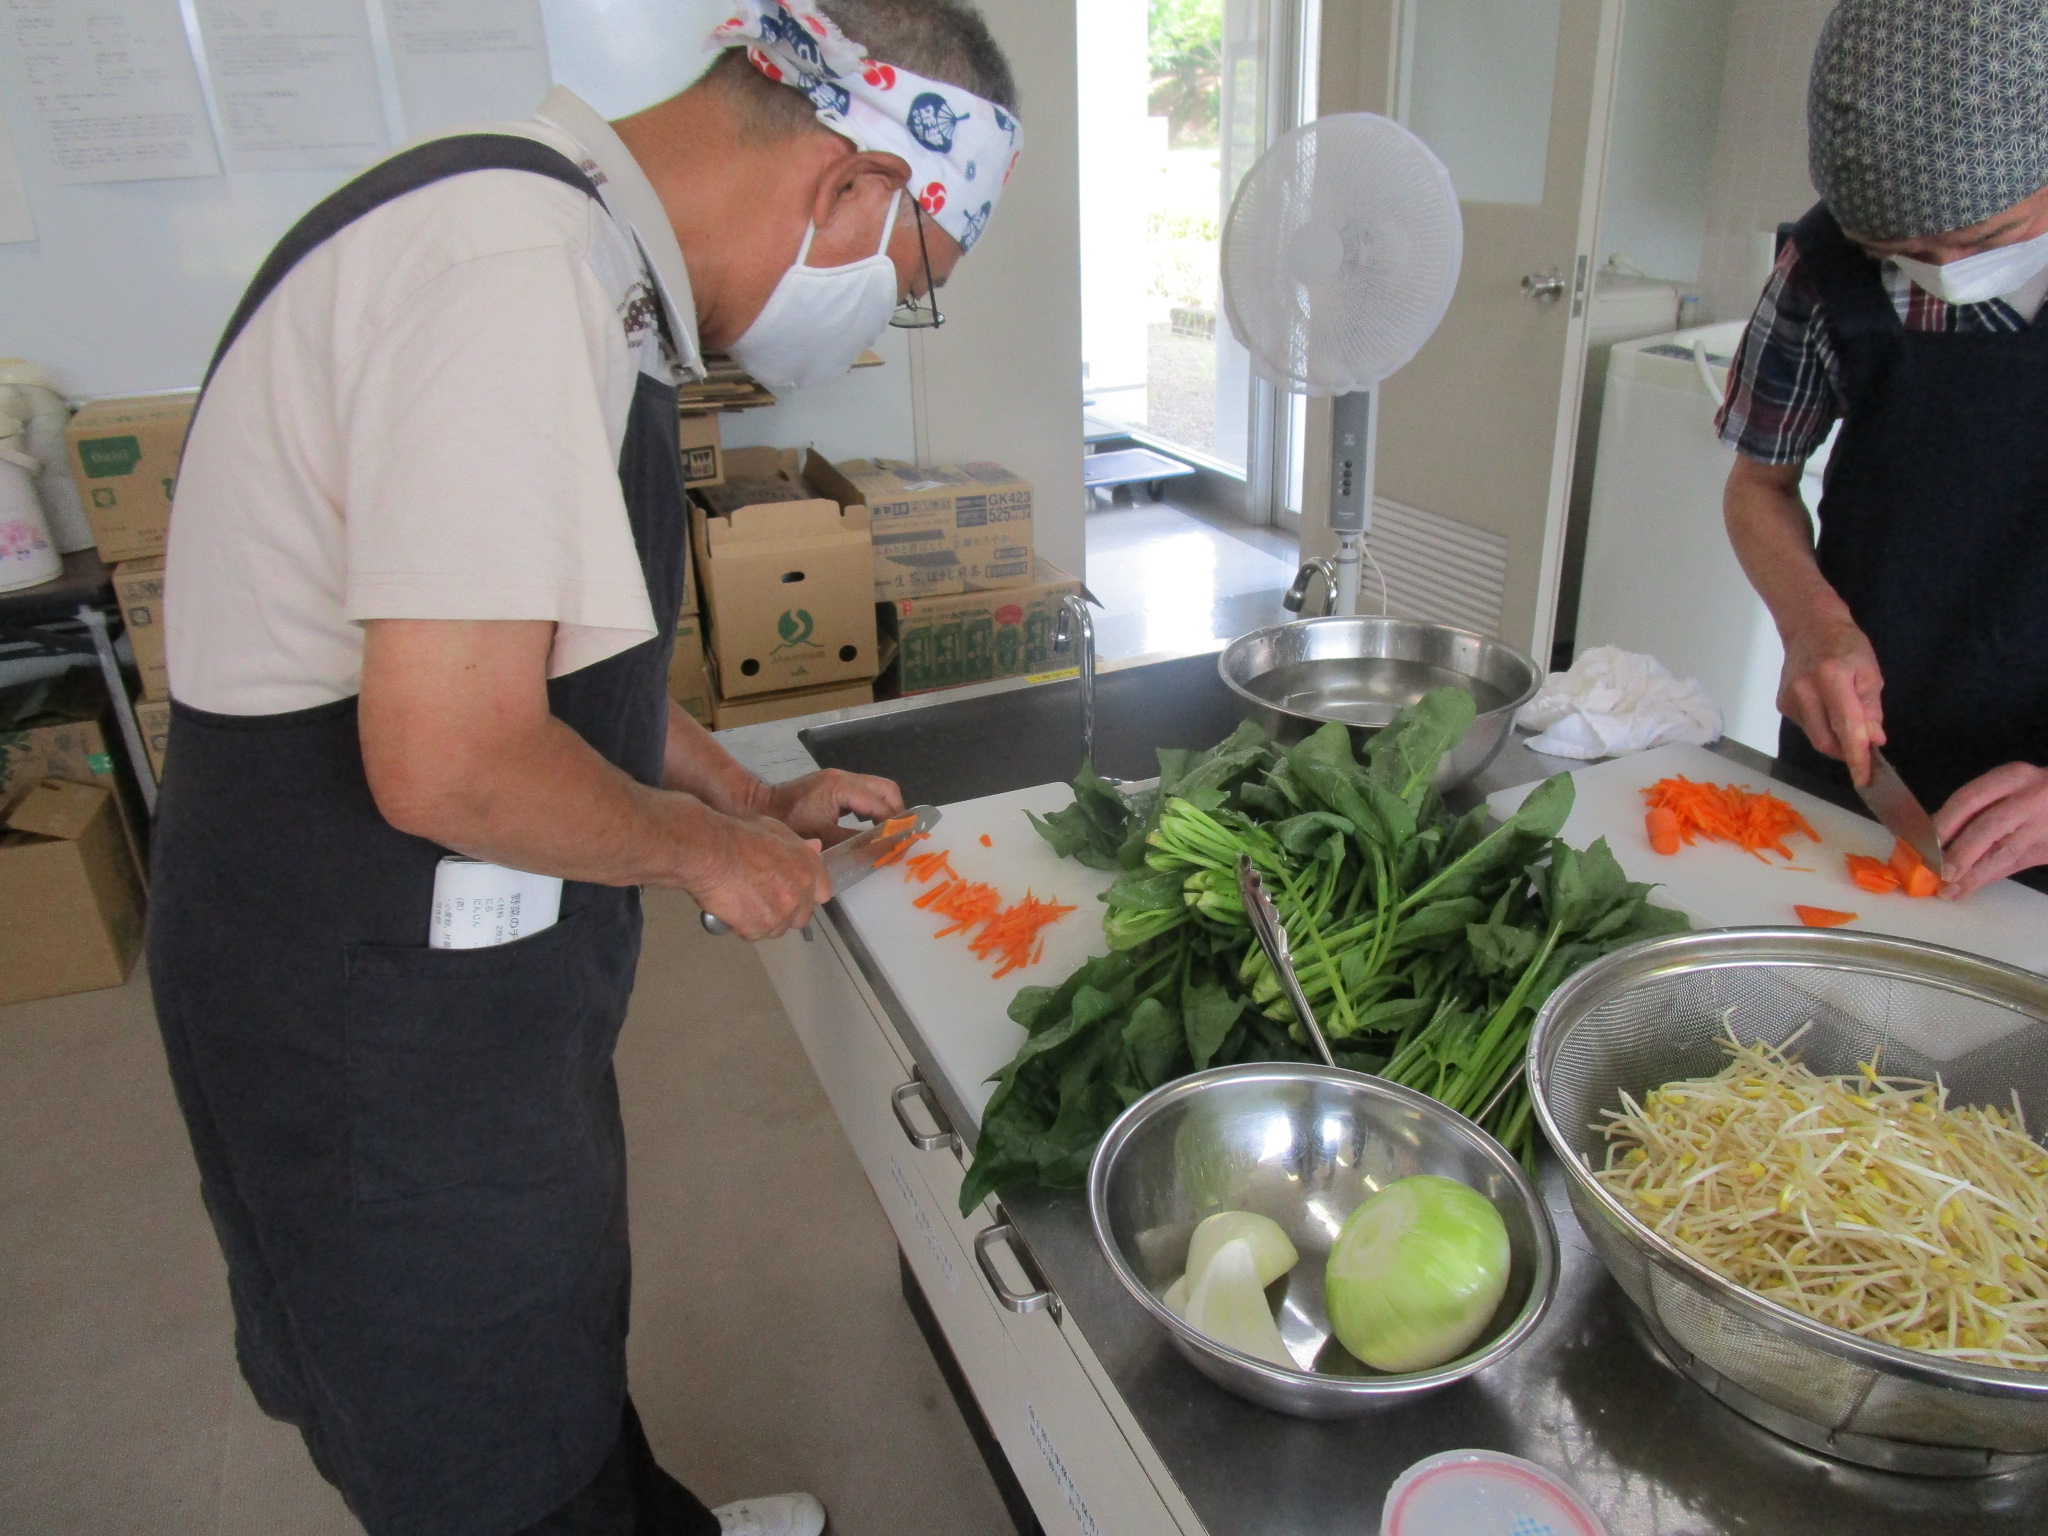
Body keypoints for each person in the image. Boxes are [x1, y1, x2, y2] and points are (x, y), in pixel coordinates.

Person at [146, 4, 1021, 1534]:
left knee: (542, 1308)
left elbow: (552, 667)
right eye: (906, 287)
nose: (874, 332)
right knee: (465, 1401)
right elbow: (453, 752)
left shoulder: (577, 258)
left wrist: (740, 799)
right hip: (359, 995)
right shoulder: (513, 276)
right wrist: (706, 859)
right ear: (848, 189)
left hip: (459, 972)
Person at [1720, 0, 2048, 897]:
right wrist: (1812, 624)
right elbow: (1759, 483)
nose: (1942, 267)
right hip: (1858, 764)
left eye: (1983, 240)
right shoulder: (1823, 269)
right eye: (1896, 253)